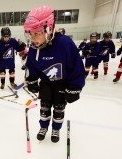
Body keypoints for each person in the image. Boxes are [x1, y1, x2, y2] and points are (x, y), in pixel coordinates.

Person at [24, 5, 85, 143]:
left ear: (48, 28)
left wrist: (75, 86)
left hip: (61, 84)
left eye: (37, 33)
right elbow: (32, 65)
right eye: (31, 34)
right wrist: (32, 79)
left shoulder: (65, 43)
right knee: (44, 107)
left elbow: (76, 66)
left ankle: (56, 128)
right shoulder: (35, 48)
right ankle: (44, 127)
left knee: (59, 108)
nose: (33, 39)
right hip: (46, 83)